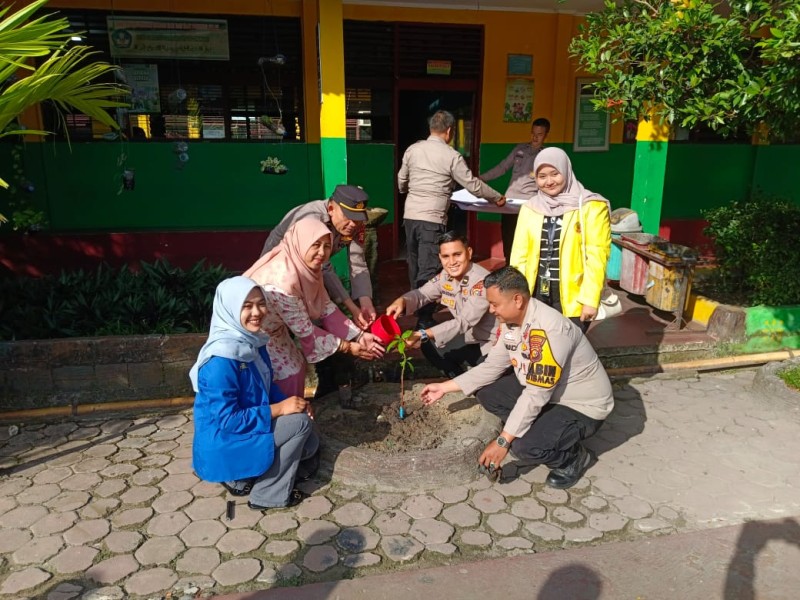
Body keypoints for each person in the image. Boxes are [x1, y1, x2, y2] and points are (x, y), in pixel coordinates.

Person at [420, 267, 614, 490]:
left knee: (524, 447)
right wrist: (444, 388)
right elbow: (493, 365)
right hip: (547, 390)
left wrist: (503, 441)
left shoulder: (550, 330)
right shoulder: (512, 321)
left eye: (495, 304)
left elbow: (536, 393)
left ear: (518, 300)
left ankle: (573, 458)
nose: (491, 310)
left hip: (581, 405)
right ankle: (534, 426)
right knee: (487, 394)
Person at [190, 276, 318, 510]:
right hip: (226, 442)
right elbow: (228, 420)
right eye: (246, 306)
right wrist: (280, 409)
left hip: (239, 432)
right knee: (300, 425)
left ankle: (249, 474)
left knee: (311, 442)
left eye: (260, 304)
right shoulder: (220, 361)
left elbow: (267, 387)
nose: (257, 312)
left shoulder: (251, 343)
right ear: (228, 309)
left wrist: (295, 402)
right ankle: (267, 494)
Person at [245, 218, 384, 398]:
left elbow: (325, 307)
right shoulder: (282, 282)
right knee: (280, 377)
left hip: (274, 331)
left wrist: (359, 335)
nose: (322, 253)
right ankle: (282, 420)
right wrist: (349, 347)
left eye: (327, 246)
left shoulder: (305, 266)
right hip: (253, 337)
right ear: (301, 243)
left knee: (294, 368)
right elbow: (306, 331)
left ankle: (292, 417)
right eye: (315, 245)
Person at [397, 110, 506, 325]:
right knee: (428, 267)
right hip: (432, 218)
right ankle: (424, 319)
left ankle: (417, 305)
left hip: (410, 216)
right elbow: (472, 185)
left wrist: (409, 190)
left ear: (431, 129)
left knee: (415, 264)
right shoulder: (451, 155)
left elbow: (401, 180)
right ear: (449, 131)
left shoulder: (413, 149)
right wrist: (496, 198)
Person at [510, 147, 611, 333]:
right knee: (539, 346)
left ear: (566, 170)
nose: (549, 182)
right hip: (536, 292)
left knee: (567, 348)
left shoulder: (591, 207)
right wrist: (516, 295)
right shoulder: (530, 208)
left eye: (554, 174)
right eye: (542, 176)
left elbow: (597, 256)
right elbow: (519, 257)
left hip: (574, 296)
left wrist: (590, 299)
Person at [260, 184, 376, 329]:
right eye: (348, 217)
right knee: (278, 316)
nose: (353, 224)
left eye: (358, 218)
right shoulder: (312, 220)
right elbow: (324, 267)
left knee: (315, 317)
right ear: (331, 209)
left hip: (311, 269)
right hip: (280, 268)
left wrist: (365, 302)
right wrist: (352, 307)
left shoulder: (355, 224)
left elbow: (357, 262)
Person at [385, 231, 495, 378]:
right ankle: (458, 380)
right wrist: (402, 300)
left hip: (488, 343)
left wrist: (422, 334)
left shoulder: (482, 281)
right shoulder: (445, 275)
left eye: (457, 254)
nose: (452, 262)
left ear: (469, 253)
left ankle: (476, 380)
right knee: (429, 344)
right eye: (446, 256)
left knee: (489, 383)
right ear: (440, 258)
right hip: (468, 337)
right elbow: (422, 294)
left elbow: (463, 321)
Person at [480, 117, 550, 263]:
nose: (535, 137)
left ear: (546, 135)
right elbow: (502, 167)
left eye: (539, 134)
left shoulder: (546, 155)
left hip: (529, 204)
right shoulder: (520, 149)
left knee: (525, 240)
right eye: (533, 133)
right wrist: (481, 178)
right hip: (509, 202)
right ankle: (508, 267)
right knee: (508, 236)